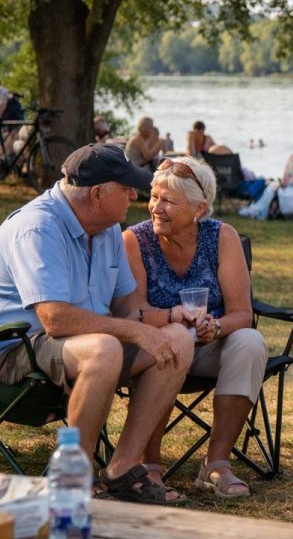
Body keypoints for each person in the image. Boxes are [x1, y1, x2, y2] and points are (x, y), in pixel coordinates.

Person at [0, 143, 194, 503]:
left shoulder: (108, 229)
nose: (135, 196)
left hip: (82, 344)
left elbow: (125, 306)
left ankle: (121, 468)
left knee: (179, 340)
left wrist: (167, 319)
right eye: (126, 189)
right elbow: (55, 319)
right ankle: (77, 475)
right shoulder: (37, 227)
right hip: (18, 347)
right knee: (104, 349)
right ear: (98, 193)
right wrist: (137, 331)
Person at [122, 156, 268, 498]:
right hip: (161, 344)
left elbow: (241, 313)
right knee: (169, 340)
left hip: (209, 344)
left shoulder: (222, 237)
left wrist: (214, 327)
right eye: (154, 197)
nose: (157, 207)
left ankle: (216, 464)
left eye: (169, 201)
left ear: (199, 208)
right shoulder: (135, 240)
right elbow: (135, 311)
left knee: (250, 342)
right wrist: (174, 318)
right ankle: (149, 465)